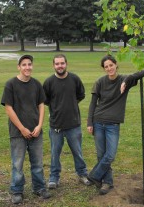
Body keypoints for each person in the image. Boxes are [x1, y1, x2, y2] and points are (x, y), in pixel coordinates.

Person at [86, 55, 144, 195]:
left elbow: (143, 72)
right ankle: (107, 183)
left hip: (113, 124)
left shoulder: (124, 80)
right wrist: (90, 122)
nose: (109, 68)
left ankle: (94, 175)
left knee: (110, 155)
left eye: (111, 65)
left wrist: (125, 81)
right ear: (104, 68)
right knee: (101, 155)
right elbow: (92, 104)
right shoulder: (100, 82)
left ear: (116, 65)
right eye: (106, 66)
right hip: (98, 121)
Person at [1, 55, 51, 204]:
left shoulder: (36, 84)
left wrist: (39, 125)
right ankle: (17, 190)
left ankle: (39, 187)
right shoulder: (10, 84)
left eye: (29, 64)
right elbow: (8, 108)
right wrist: (22, 128)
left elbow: (41, 105)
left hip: (36, 132)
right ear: (19, 67)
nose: (27, 67)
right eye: (24, 65)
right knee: (18, 164)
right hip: (18, 133)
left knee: (37, 162)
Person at [43, 54, 91, 189]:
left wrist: (71, 105)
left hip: (73, 125)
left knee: (77, 152)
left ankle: (82, 174)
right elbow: (45, 100)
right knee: (55, 154)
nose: (60, 66)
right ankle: (54, 177)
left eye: (62, 63)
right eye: (57, 63)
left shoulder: (74, 79)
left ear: (66, 64)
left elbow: (81, 94)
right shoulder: (49, 82)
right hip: (56, 126)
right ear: (53, 65)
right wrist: (57, 108)